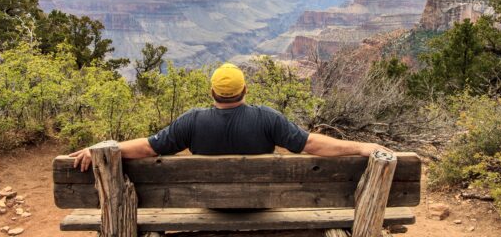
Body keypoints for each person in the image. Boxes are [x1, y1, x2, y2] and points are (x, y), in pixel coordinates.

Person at [70, 63, 390, 172]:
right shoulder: (268, 118)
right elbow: (313, 145)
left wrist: (105, 147)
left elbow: (147, 149)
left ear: (212, 92)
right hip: (261, 203)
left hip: (205, 204)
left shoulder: (191, 121)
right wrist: (360, 146)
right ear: (245, 90)